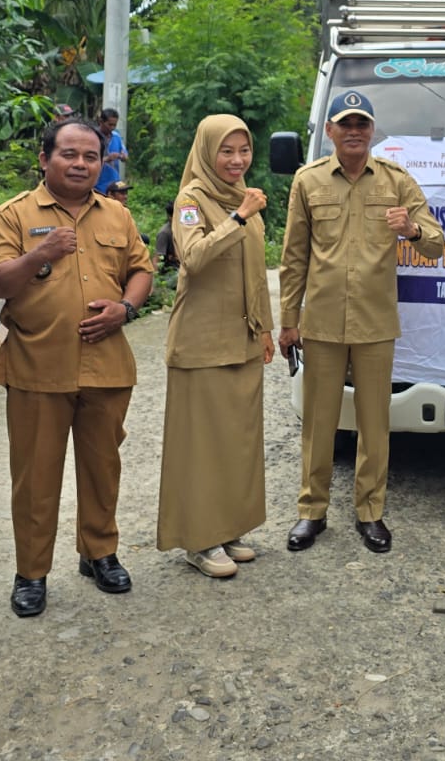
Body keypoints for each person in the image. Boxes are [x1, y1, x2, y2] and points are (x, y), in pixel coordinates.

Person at [0, 119, 154, 617]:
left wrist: (126, 307)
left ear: (103, 162)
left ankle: (99, 552)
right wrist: (42, 253)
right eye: (69, 154)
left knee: (103, 468)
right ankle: (31, 572)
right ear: (45, 159)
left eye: (90, 156)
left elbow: (142, 269)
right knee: (35, 477)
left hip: (107, 365)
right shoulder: (15, 215)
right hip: (38, 366)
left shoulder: (116, 216)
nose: (80, 164)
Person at [279, 90, 445, 554]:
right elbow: (293, 256)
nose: (354, 132)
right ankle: (312, 513)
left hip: (375, 323)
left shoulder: (395, 180)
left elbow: (436, 242)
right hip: (323, 323)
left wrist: (409, 229)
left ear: (372, 131)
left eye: (362, 125)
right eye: (345, 124)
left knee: (374, 423)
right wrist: (289, 320)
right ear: (330, 131)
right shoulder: (308, 182)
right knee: (319, 423)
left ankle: (370, 513)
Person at [157, 114, 276, 578]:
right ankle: (199, 541)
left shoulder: (242, 197)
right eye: (226, 151)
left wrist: (264, 329)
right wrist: (238, 217)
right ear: (207, 151)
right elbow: (195, 257)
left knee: (236, 443)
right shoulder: (193, 200)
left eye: (243, 150)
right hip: (202, 342)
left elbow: (254, 271)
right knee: (201, 445)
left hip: (242, 340)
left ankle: (228, 529)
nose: (236, 160)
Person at [101, 108, 128, 181]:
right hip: (98, 181)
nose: (112, 128)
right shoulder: (93, 137)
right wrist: (107, 159)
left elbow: (125, 157)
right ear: (101, 122)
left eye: (114, 125)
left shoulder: (117, 136)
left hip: (114, 180)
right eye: (110, 125)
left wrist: (122, 156)